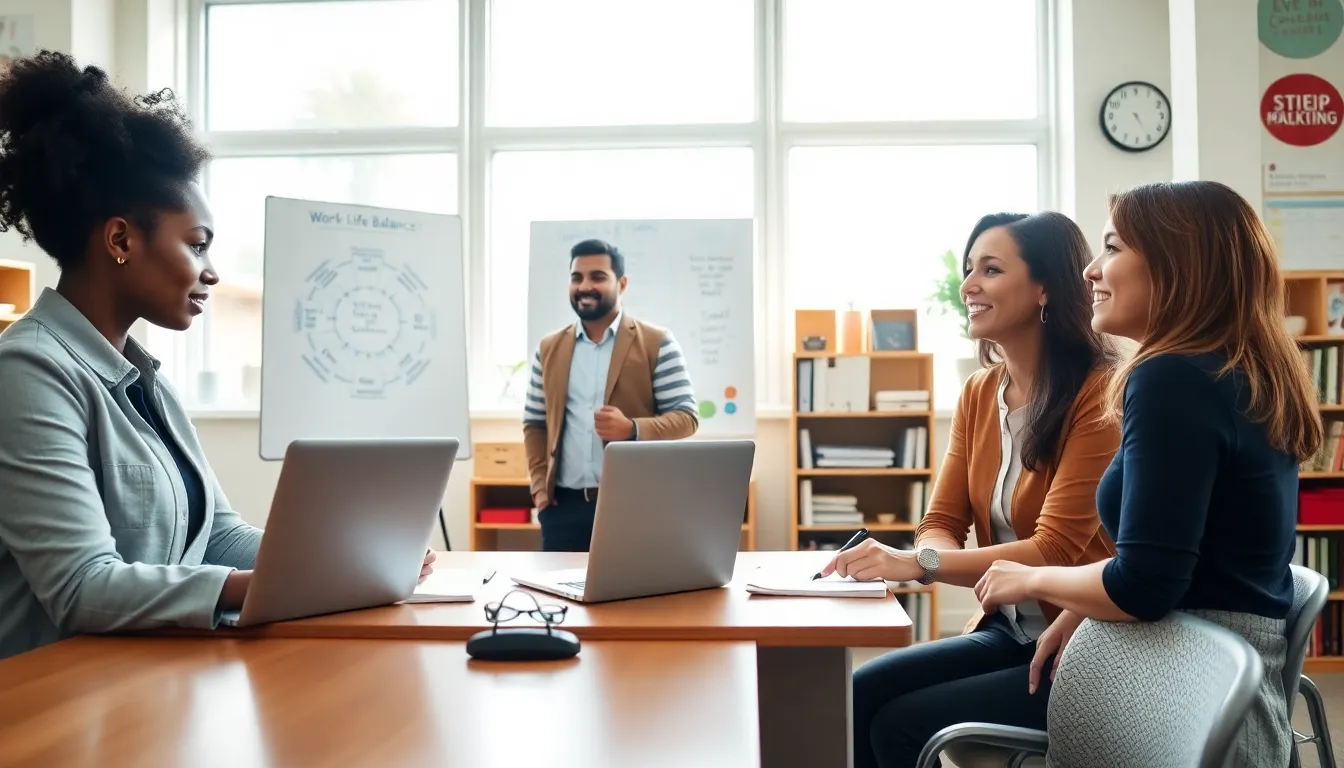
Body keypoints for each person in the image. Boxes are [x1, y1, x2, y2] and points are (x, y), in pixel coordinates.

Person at [0, 52, 435, 660]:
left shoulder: (146, 383)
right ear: (121, 239)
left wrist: (345, 563)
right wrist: (263, 589)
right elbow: (80, 585)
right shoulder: (29, 372)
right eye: (197, 244)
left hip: (138, 682)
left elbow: (218, 535)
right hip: (52, 703)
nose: (211, 272)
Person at [975, 181, 1323, 767]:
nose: (1089, 270)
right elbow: (1188, 556)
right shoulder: (1238, 369)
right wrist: (1082, 607)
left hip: (1187, 690)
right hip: (1222, 681)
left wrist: (1031, 581)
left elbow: (1145, 584)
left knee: (890, 713)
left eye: (1111, 247)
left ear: (1176, 265)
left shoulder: (1171, 379)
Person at [820, 211, 1120, 767]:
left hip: (1080, 645)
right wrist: (932, 555)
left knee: (900, 726)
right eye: (967, 269)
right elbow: (941, 520)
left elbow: (1052, 550)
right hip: (1008, 632)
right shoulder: (981, 393)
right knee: (860, 694)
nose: (968, 285)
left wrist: (921, 564)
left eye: (991, 269)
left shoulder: (1098, 397)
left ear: (1044, 288)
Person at [523, 238, 699, 551]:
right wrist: (540, 491)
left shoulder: (657, 342)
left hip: (634, 506)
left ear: (622, 283)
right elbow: (535, 424)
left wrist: (631, 429)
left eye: (598, 277)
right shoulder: (548, 348)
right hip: (562, 509)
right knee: (560, 599)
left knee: (635, 599)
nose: (584, 285)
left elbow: (687, 417)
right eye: (577, 277)